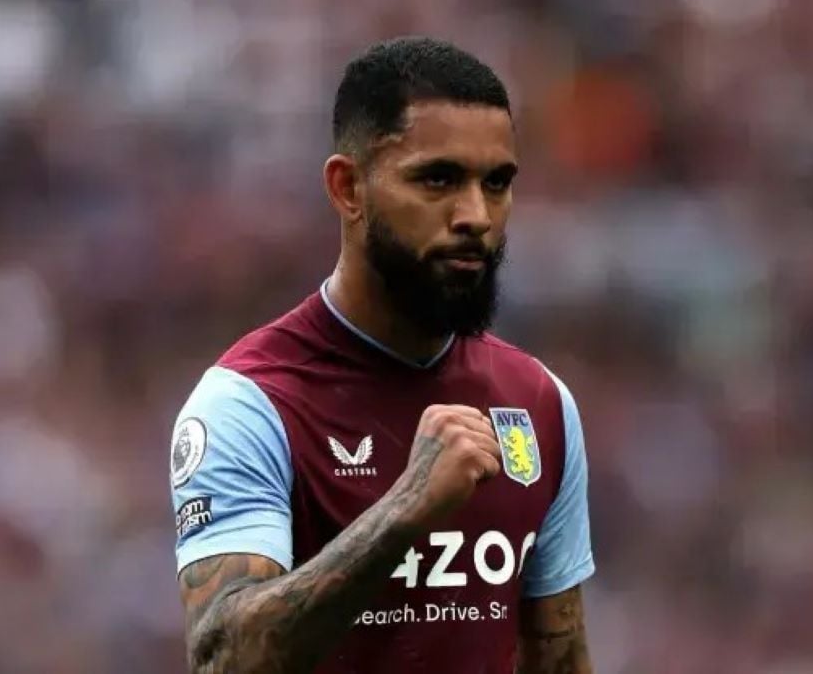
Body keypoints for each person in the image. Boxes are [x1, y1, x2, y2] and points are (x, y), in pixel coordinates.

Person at [170, 36, 594, 674]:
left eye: (497, 183)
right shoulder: (252, 403)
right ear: (348, 188)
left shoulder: (537, 404)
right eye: (439, 179)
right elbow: (222, 659)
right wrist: (404, 511)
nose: (476, 215)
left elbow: (559, 661)